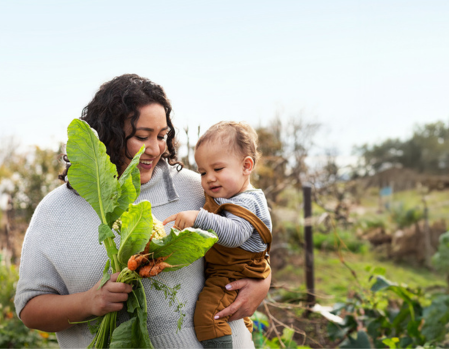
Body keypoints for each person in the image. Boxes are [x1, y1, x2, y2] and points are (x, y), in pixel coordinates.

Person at [15, 74, 271, 348]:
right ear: (109, 134)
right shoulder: (55, 211)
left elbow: (252, 237)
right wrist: (90, 302)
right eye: (141, 136)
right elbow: (30, 309)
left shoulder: (201, 188)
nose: (155, 149)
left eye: (162, 136)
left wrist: (262, 283)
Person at [163, 121, 272, 349]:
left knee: (208, 316)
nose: (209, 178)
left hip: (232, 274)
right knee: (235, 317)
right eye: (203, 172)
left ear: (246, 166)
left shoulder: (247, 201)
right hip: (228, 270)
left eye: (218, 169)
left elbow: (235, 234)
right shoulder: (231, 196)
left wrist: (198, 218)